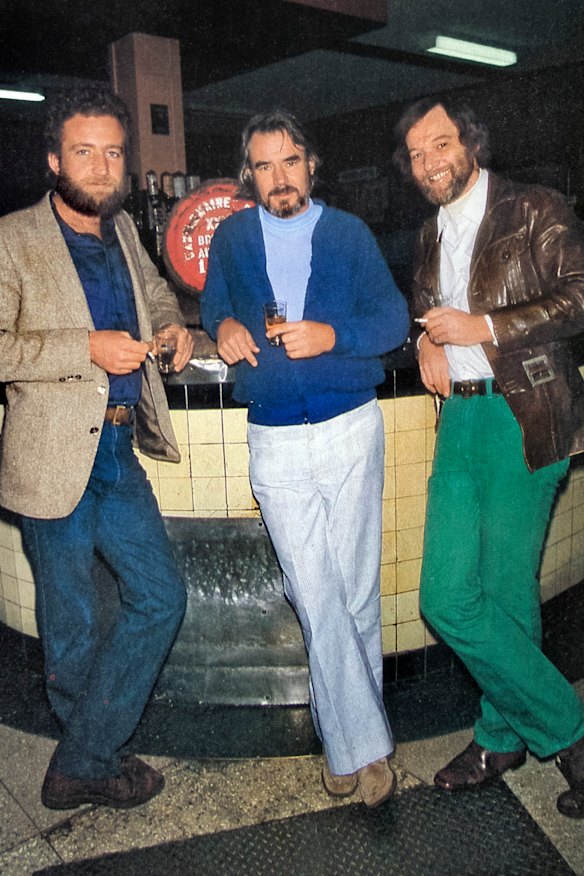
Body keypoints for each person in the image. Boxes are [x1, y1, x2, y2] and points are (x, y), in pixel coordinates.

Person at [201, 110, 409, 808]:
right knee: (313, 589)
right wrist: (226, 325)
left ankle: (345, 743)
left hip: (350, 424)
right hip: (275, 434)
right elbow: (215, 308)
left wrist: (331, 334)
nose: (278, 178)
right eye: (263, 166)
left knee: (352, 591)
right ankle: (369, 744)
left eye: (289, 161)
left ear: (310, 163)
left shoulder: (347, 234)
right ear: (248, 175)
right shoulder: (232, 237)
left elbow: (390, 322)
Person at [0, 87, 194, 810]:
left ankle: (82, 756)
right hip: (51, 460)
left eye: (114, 152)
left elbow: (160, 295)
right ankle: (93, 758)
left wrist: (174, 330)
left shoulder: (124, 235)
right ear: (55, 159)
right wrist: (85, 347)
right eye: (85, 151)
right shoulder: (12, 238)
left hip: (118, 453)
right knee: (73, 626)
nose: (103, 166)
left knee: (161, 599)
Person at [393, 95, 584, 818]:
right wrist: (424, 341)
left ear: (468, 141)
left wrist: (484, 326)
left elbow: (580, 295)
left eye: (438, 144)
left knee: (505, 596)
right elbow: (423, 306)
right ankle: (569, 732)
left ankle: (499, 736)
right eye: (415, 154)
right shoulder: (428, 232)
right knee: (446, 597)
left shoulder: (535, 207)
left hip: (523, 414)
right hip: (460, 422)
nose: (428, 163)